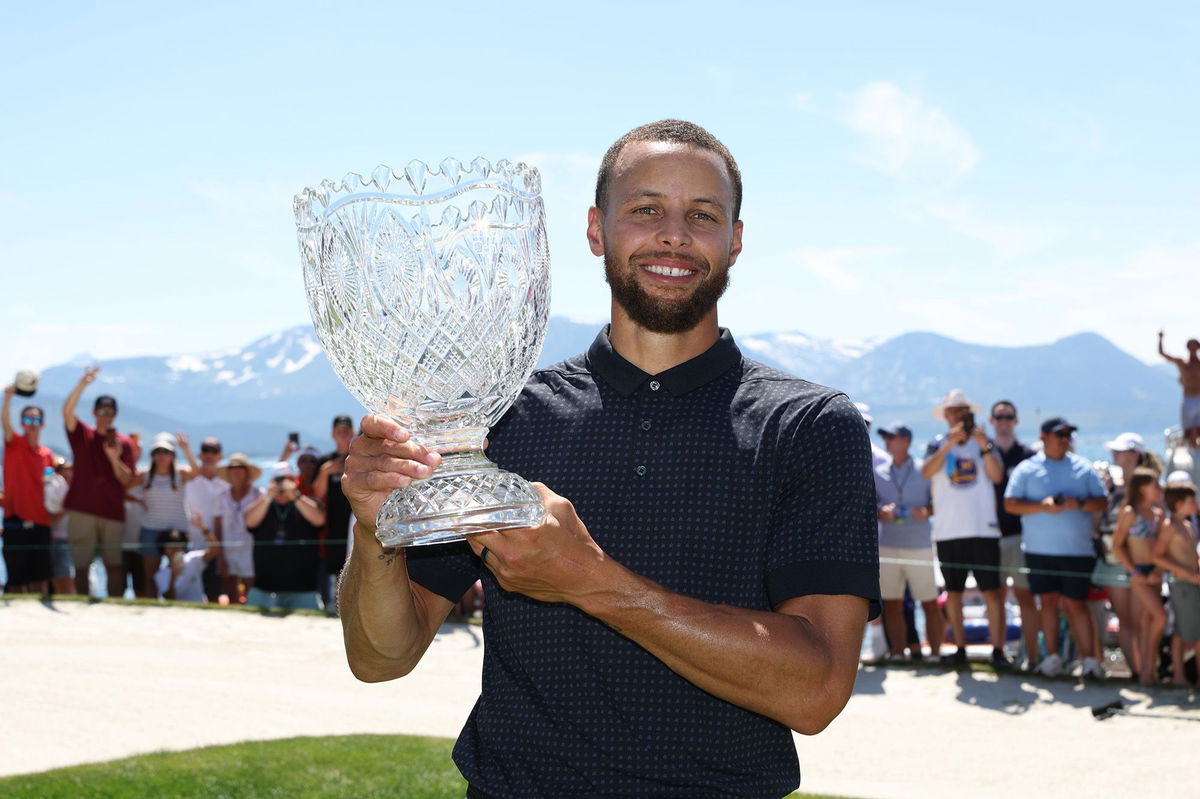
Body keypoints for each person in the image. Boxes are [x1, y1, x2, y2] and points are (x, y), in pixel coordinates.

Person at [338, 120, 879, 797]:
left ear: (735, 241)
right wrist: (375, 531)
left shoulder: (808, 426)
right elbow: (379, 656)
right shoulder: (499, 420)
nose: (674, 234)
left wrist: (588, 579)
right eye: (646, 208)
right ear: (596, 230)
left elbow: (818, 688)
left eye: (702, 215)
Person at [1006, 418, 1110, 679]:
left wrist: (1080, 504)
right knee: (1048, 603)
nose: (1065, 439)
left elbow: (1101, 502)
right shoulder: (1027, 469)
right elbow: (1010, 504)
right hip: (1038, 550)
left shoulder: (1083, 467)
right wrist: (1042, 506)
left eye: (1068, 434)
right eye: (1059, 434)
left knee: (1076, 604)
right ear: (1043, 437)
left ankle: (1089, 662)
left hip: (1076, 551)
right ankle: (1051, 658)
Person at [922, 389, 1008, 667]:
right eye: (955, 412)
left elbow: (996, 476)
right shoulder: (937, 444)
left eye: (964, 412)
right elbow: (925, 473)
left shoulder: (985, 443)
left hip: (983, 529)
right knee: (954, 594)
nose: (960, 416)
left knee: (992, 594)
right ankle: (959, 649)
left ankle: (998, 651)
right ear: (946, 416)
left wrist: (983, 445)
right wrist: (949, 445)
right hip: (949, 530)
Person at [62, 366, 138, 598]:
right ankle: (84, 605)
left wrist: (114, 459)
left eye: (109, 411)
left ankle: (114, 607)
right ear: (94, 413)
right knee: (82, 566)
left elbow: (126, 479)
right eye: (102, 410)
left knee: (114, 565)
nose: (106, 415)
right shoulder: (83, 434)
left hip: (112, 511)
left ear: (114, 415)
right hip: (82, 509)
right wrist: (83, 384)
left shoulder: (124, 443)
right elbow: (67, 411)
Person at [1092, 432, 1158, 678]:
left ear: (1134, 454)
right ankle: (1138, 671)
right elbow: (1100, 522)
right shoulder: (1112, 487)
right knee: (1127, 620)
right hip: (1114, 560)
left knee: (1142, 619)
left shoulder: (1147, 488)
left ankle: (1147, 670)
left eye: (1120, 451)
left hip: (1139, 562)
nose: (1114, 454)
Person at [873, 422, 941, 660]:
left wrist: (926, 511)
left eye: (892, 437)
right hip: (888, 544)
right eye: (886, 437)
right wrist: (882, 511)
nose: (887, 441)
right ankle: (898, 654)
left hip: (919, 544)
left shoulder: (924, 470)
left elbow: (938, 503)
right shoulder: (878, 473)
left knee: (929, 603)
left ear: (906, 442)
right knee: (891, 603)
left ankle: (934, 655)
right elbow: (873, 505)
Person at [988, 400, 1039, 666]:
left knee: (1024, 597)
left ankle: (1032, 655)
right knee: (995, 597)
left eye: (1009, 417)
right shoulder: (984, 452)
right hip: (989, 535)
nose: (1004, 421)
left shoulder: (1028, 455)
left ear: (1016, 421)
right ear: (991, 421)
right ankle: (999, 652)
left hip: (1020, 535)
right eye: (999, 417)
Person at [1110, 467, 1167, 684]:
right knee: (1155, 618)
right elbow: (1117, 545)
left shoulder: (1157, 514)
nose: (1159, 489)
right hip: (1138, 574)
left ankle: (1148, 670)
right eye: (1155, 485)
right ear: (1143, 488)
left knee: (1147, 623)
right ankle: (1145, 670)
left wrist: (1158, 571)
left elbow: (1161, 549)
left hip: (1153, 573)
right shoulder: (1130, 512)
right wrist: (1133, 571)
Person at [244, 462, 326, 612]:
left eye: (289, 480)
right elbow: (250, 521)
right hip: (264, 588)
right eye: (279, 480)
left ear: (295, 482)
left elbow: (319, 519)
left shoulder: (306, 503)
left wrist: (295, 496)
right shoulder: (263, 504)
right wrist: (268, 496)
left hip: (303, 589)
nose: (284, 485)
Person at [2, 384, 55, 594]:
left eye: (35, 420)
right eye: (27, 419)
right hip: (15, 521)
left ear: (42, 424)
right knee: (16, 580)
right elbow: (4, 424)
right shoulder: (14, 444)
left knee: (41, 578)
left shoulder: (47, 455)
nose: (31, 424)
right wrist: (7, 399)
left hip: (42, 521)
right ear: (22, 423)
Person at [137, 433, 199, 599]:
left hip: (177, 531)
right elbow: (123, 482)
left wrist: (186, 450)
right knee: (150, 577)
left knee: (178, 575)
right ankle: (152, 611)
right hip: (150, 529)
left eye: (166, 451)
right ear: (152, 455)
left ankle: (174, 610)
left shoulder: (181, 473)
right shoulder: (144, 475)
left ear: (173, 455)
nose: (161, 455)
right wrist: (136, 500)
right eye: (158, 451)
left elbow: (196, 473)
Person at [1154, 480, 1200, 686]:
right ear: (1179, 503)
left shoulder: (1188, 524)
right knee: (1183, 631)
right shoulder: (1169, 526)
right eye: (1192, 500)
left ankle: (1184, 676)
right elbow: (1158, 556)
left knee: (1184, 631)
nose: (1196, 504)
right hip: (1181, 584)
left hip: (1191, 583)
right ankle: (1180, 676)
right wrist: (1186, 573)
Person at [315, 415, 355, 608]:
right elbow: (317, 494)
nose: (343, 434)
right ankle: (333, 602)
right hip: (332, 523)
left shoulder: (359, 459)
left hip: (355, 518)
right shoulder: (325, 462)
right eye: (339, 430)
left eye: (347, 430)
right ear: (332, 434)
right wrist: (325, 472)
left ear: (353, 432)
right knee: (333, 564)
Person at [215, 453, 264, 602]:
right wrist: (220, 556)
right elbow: (217, 528)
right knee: (230, 591)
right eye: (232, 467)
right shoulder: (221, 496)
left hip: (251, 550)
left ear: (247, 471)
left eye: (240, 467)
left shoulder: (258, 494)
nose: (236, 471)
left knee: (251, 590)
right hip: (228, 550)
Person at [185, 436, 229, 601]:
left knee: (216, 595)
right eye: (205, 450)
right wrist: (186, 450)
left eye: (214, 451)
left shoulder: (226, 485)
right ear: (200, 455)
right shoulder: (189, 481)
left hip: (220, 548)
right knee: (190, 597)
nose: (209, 455)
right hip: (193, 548)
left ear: (220, 456)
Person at [153, 528, 216, 603]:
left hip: (199, 610)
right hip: (178, 613)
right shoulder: (160, 575)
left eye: (178, 546)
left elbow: (215, 550)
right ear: (164, 550)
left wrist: (202, 527)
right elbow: (169, 598)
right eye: (170, 547)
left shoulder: (193, 559)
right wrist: (174, 575)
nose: (175, 549)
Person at [44, 456, 75, 596]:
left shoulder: (72, 490)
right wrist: (67, 509)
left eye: (70, 469)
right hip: (58, 539)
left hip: (71, 541)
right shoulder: (53, 490)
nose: (67, 472)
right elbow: (50, 520)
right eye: (62, 469)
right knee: (63, 580)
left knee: (66, 579)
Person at [1158, 331, 1200, 435]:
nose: (1193, 349)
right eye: (1190, 347)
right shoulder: (1182, 363)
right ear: (1187, 348)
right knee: (1188, 430)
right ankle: (1192, 446)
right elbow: (1163, 354)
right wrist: (1160, 338)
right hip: (1187, 398)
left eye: (1195, 347)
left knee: (1198, 428)